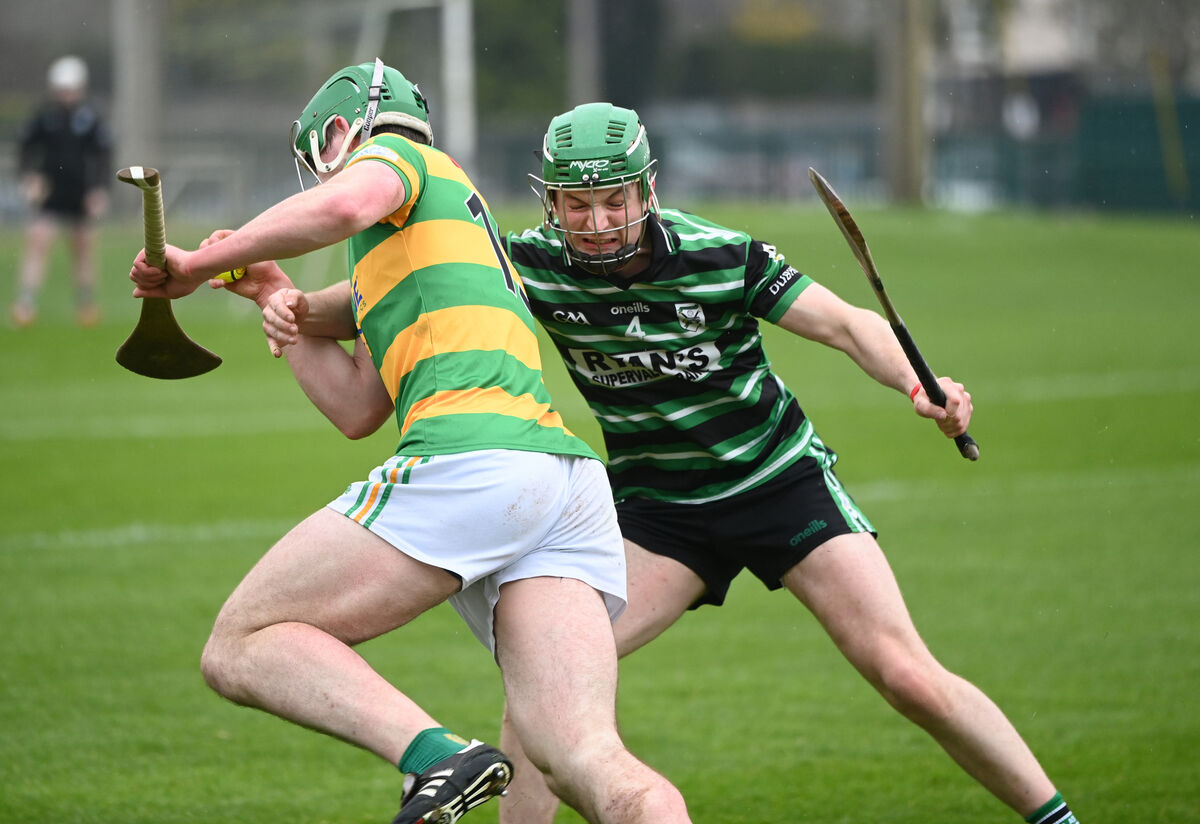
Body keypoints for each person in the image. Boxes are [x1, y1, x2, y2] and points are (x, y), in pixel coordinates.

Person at [128, 65, 692, 824]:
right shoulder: (423, 241)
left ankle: (436, 755)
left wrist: (193, 266)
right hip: (559, 485)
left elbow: (346, 201)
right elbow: (358, 407)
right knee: (588, 759)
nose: (323, 181)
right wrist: (272, 292)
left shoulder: (398, 159)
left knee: (240, 642)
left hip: (476, 463)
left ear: (339, 134)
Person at [489, 103, 1078, 824]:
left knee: (906, 675)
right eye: (578, 205)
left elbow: (847, 325)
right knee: (544, 693)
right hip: (659, 515)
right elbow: (418, 285)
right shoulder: (527, 266)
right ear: (550, 203)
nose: (599, 222)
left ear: (647, 190)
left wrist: (918, 385)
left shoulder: (723, 256)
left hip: (777, 482)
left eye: (615, 200)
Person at [12, 55, 112, 327]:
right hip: (50, 192)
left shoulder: (91, 117)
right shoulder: (44, 116)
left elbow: (103, 156)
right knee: (38, 241)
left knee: (83, 247)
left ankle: (86, 303)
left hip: (80, 192)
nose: (67, 94)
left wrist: (99, 190)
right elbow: (25, 149)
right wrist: (30, 177)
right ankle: (26, 302)